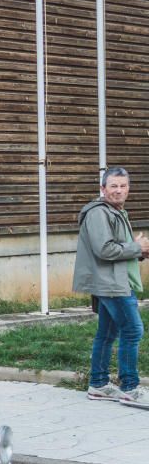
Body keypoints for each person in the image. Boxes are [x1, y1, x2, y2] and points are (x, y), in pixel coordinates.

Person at [73, 166, 149, 408]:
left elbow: (116, 248)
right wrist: (137, 247)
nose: (118, 190)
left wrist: (138, 250)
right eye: (113, 186)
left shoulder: (115, 211)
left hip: (116, 280)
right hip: (111, 284)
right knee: (132, 330)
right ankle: (129, 388)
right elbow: (104, 249)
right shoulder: (99, 213)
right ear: (102, 189)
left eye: (123, 186)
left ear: (128, 188)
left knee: (107, 334)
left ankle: (98, 384)